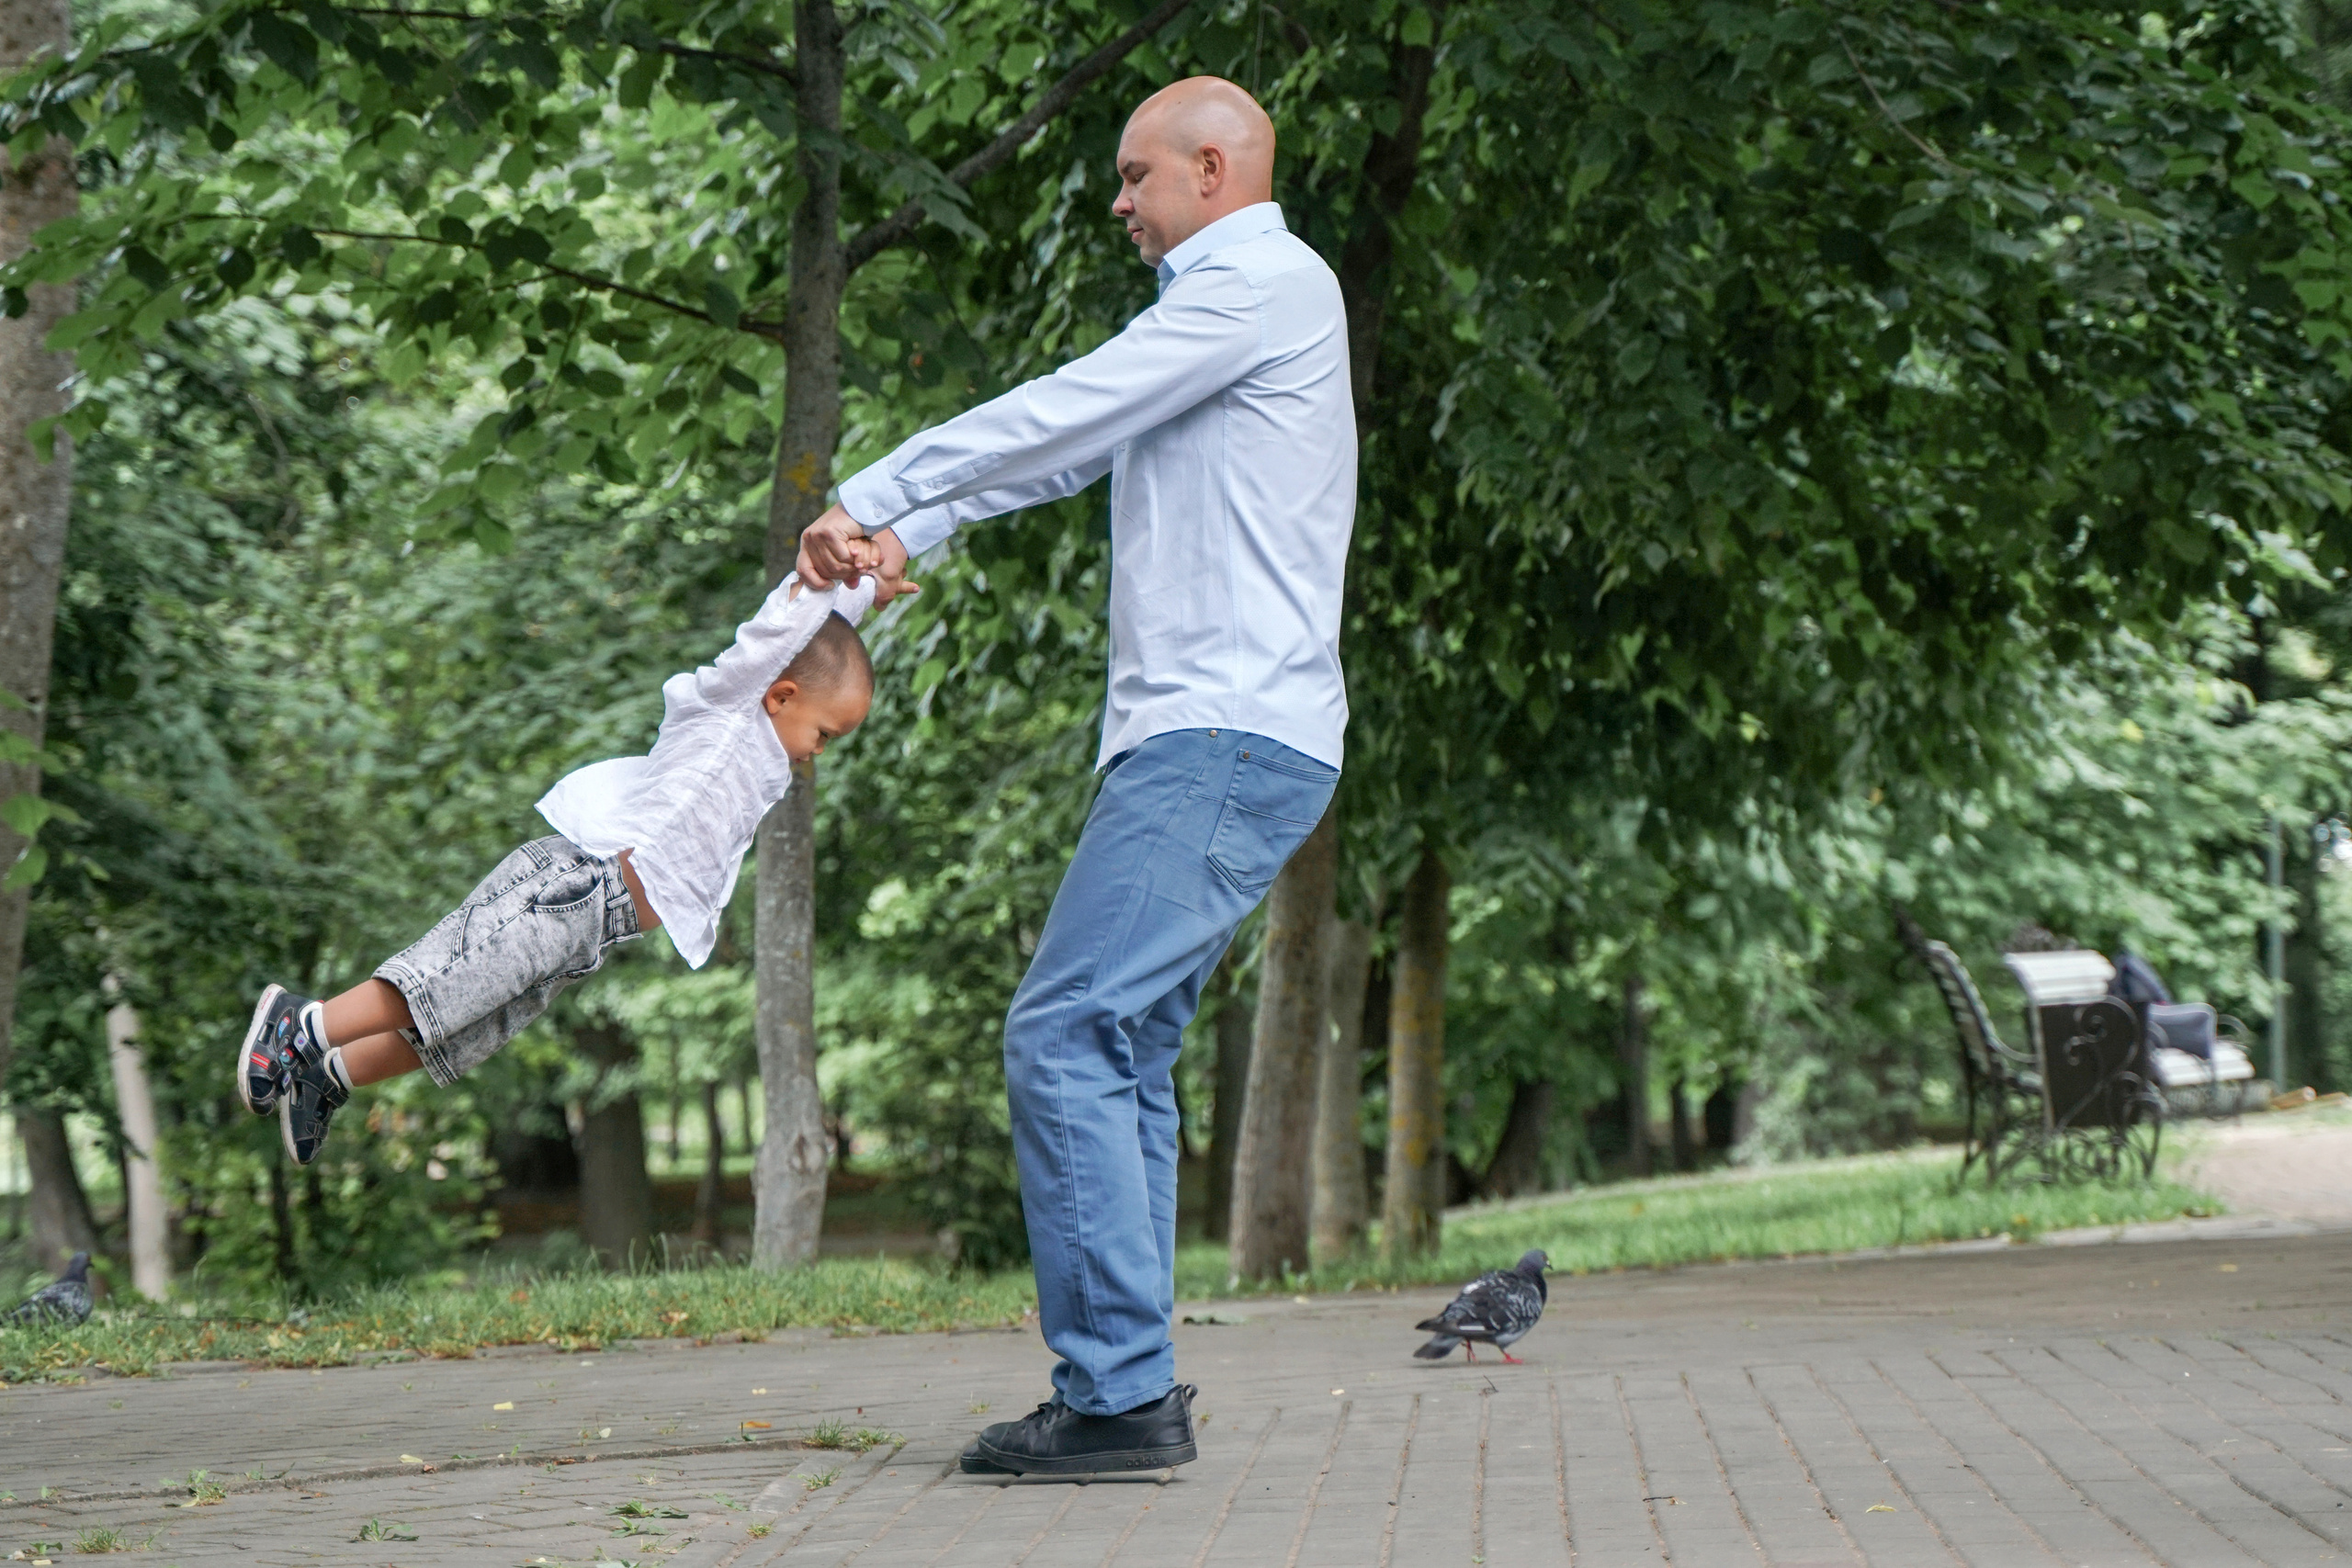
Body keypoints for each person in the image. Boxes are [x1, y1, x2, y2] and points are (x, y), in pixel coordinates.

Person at [799, 75, 1354, 1476]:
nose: (1118, 201)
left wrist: (876, 490)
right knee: (1119, 1047)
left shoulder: (1263, 285)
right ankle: (1128, 1386)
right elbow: (1070, 448)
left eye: (1133, 175)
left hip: (1219, 734)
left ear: (1212, 168)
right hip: (1216, 734)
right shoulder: (1219, 311)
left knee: (1063, 1033)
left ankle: (1115, 1398)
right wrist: (905, 519)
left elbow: (1069, 406)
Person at [233, 573, 877, 1166]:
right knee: (447, 977)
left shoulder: (769, 758)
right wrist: (858, 566)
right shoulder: (729, 712)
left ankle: (332, 1071)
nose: (817, 752)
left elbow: (826, 644)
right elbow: (789, 625)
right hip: (573, 887)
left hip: (595, 931)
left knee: (465, 1026)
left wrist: (866, 597)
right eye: (823, 734)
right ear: (780, 694)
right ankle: (301, 1023)